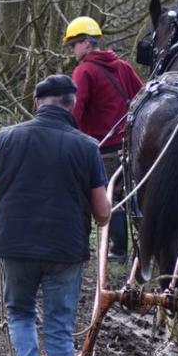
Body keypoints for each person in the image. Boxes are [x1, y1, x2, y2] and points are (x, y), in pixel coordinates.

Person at [0, 74, 111, 356]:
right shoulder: (87, 147)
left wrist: (7, 224)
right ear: (71, 104)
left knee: (19, 313)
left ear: (37, 103)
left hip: (15, 244)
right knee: (59, 329)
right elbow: (102, 212)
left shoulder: (7, 138)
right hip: (65, 250)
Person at [63, 16, 144, 262]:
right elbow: (143, 98)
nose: (72, 50)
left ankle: (117, 251)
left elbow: (74, 111)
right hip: (130, 144)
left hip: (100, 147)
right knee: (131, 194)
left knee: (110, 196)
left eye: (74, 44)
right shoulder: (124, 67)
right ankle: (138, 250)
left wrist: (66, 138)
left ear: (87, 43)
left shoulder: (84, 71)